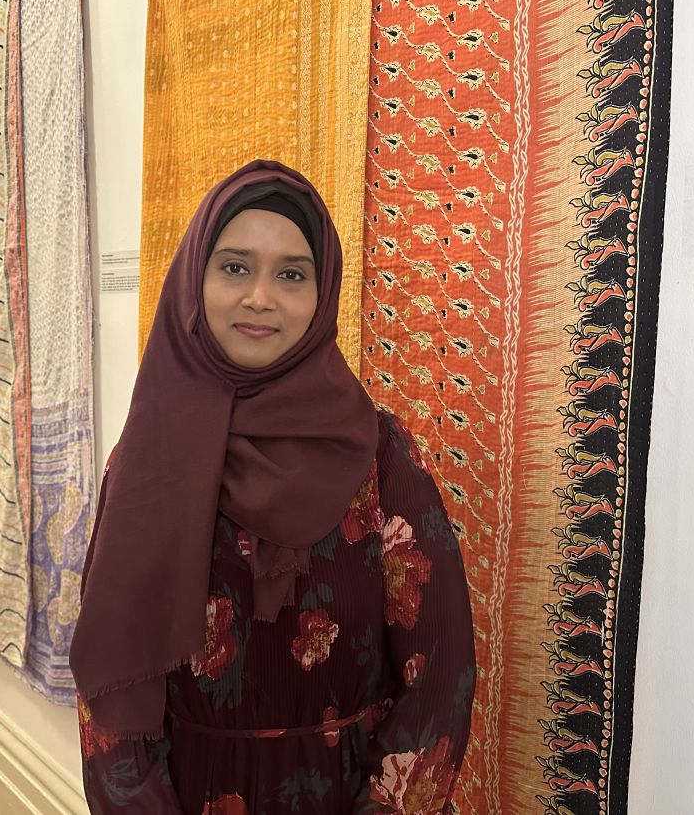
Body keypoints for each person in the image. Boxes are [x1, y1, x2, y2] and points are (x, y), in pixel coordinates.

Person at [71, 160, 475, 813]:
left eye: (291, 274)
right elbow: (112, 683)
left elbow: (440, 670)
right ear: (194, 283)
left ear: (322, 294)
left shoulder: (381, 455)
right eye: (235, 267)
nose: (261, 296)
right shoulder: (145, 462)